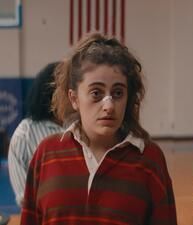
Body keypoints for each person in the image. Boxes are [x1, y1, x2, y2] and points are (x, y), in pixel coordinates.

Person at [20, 33, 177, 225]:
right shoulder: (46, 154)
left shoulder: (150, 159)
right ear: (74, 98)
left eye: (118, 93)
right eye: (96, 93)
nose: (109, 105)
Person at [8, 62, 64, 207]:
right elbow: (24, 197)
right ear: (52, 93)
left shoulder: (83, 126)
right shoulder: (25, 135)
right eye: (67, 88)